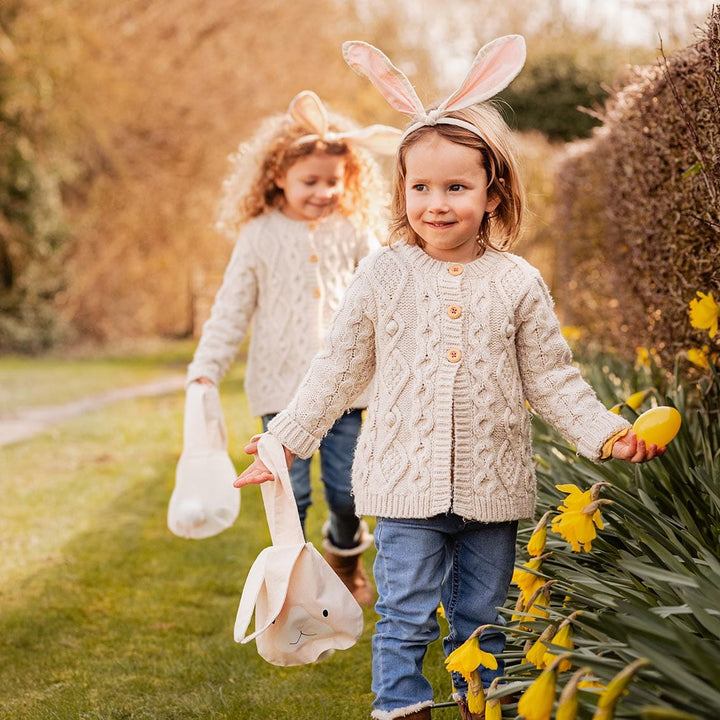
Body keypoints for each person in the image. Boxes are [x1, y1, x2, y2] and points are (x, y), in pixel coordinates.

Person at [234, 36, 665, 720]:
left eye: (456, 187)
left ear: (493, 193)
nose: (436, 203)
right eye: (421, 187)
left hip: (492, 488)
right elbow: (340, 364)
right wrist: (286, 440)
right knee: (405, 611)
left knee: (484, 617)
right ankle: (401, 706)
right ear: (402, 190)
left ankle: (481, 705)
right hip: (405, 487)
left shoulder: (517, 282)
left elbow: (552, 379)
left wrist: (606, 433)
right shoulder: (384, 274)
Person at [187, 90, 399, 607]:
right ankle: (295, 583)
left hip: (345, 391)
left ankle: (345, 558)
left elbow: (388, 295)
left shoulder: (352, 231)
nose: (325, 192)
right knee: (291, 493)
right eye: (312, 181)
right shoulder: (258, 236)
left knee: (348, 492)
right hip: (280, 392)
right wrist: (205, 369)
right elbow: (231, 310)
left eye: (334, 181)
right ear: (278, 176)